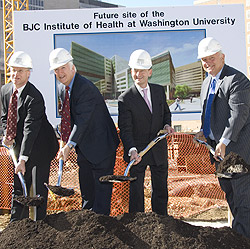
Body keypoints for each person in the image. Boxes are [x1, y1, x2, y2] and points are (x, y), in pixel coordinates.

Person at [49, 48, 119, 215]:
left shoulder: (85, 88)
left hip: (102, 146)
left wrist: (69, 146)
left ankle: (102, 229)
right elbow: (67, 118)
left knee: (101, 197)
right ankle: (87, 228)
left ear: (73, 67)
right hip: (85, 147)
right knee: (87, 192)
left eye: (63, 68)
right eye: (56, 70)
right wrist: (64, 140)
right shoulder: (61, 89)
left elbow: (82, 121)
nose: (60, 73)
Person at [194, 37, 250, 239]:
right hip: (219, 155)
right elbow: (210, 114)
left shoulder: (236, 79)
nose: (207, 63)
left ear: (222, 57)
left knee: (244, 199)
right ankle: (240, 236)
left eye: (211, 58)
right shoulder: (206, 83)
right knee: (231, 196)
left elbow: (239, 115)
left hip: (238, 153)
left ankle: (243, 240)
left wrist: (224, 141)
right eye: (203, 60)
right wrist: (204, 131)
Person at [0, 51, 59, 221]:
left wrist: (23, 159)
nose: (15, 75)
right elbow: (4, 118)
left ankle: (40, 225)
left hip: (41, 147)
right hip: (20, 145)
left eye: (20, 71)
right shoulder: (5, 91)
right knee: (19, 185)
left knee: (39, 187)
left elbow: (30, 128)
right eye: (13, 70)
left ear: (28, 73)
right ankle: (16, 225)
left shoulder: (34, 97)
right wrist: (7, 135)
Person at [118, 49, 175, 215]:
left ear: (150, 72)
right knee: (136, 193)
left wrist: (166, 125)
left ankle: (162, 221)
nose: (138, 74)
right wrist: (132, 150)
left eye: (142, 70)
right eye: (135, 70)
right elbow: (125, 128)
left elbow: (166, 113)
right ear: (131, 72)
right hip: (138, 152)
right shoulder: (125, 98)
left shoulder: (158, 91)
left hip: (158, 148)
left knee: (160, 189)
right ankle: (138, 223)